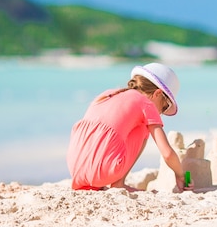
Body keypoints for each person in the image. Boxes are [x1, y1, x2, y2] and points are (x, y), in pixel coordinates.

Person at [66, 62, 189, 192]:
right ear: (158, 94)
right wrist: (180, 175)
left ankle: (96, 180)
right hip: (104, 172)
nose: (161, 112)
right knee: (143, 127)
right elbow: (167, 154)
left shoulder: (109, 94)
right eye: (165, 106)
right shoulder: (146, 104)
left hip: (75, 169)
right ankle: (119, 183)